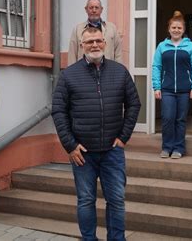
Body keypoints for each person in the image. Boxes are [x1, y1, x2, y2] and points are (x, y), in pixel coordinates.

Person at [52, 27, 140, 241]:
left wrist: (123, 137)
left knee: (117, 200)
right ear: (82, 45)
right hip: (83, 153)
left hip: (113, 151)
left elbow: (134, 104)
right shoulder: (69, 75)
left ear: (105, 43)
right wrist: (70, 145)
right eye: (89, 41)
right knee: (85, 200)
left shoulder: (120, 72)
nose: (94, 45)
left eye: (98, 41)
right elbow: (58, 110)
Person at [152, 11, 192, 159]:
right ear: (169, 29)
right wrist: (156, 87)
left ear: (183, 30)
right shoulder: (162, 46)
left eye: (179, 28)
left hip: (185, 90)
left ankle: (179, 148)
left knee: (180, 119)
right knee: (167, 118)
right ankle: (167, 147)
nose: (176, 30)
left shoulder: (190, 46)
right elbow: (156, 67)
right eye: (173, 27)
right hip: (166, 89)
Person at [68, 0, 123, 66]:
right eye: (91, 8)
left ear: (101, 9)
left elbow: (118, 54)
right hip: (84, 72)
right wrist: (72, 74)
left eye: (96, 7)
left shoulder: (112, 28)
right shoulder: (77, 29)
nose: (94, 10)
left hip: (108, 71)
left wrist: (118, 71)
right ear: (86, 9)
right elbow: (72, 55)